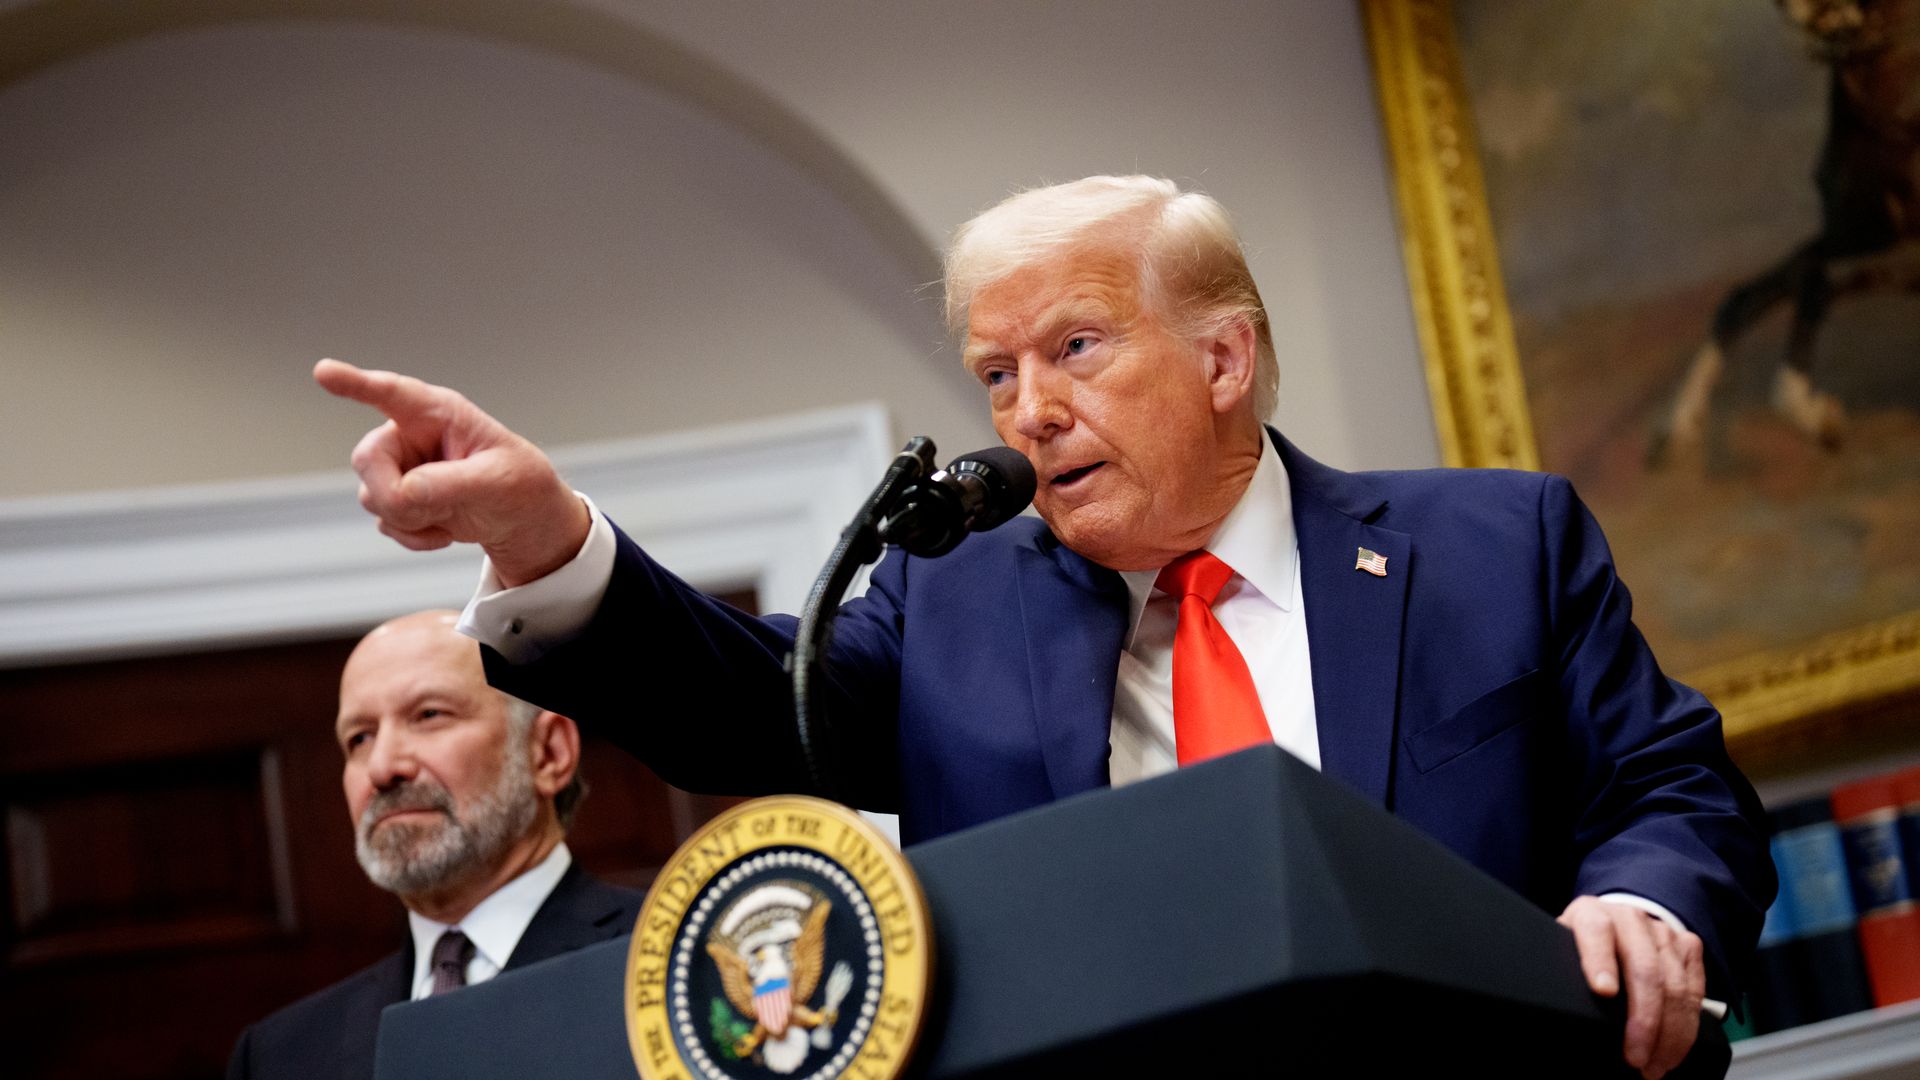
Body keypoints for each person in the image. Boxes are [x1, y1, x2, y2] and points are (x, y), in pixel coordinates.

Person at [315, 176, 1773, 1079]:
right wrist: (542, 536)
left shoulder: (1489, 545)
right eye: (996, 374)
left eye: (1074, 347)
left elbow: (1676, 787)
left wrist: (1642, 903)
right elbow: (754, 708)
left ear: (1222, 355)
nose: (1029, 413)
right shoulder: (951, 604)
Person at [227, 611, 642, 1080]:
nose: (382, 767)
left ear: (548, 752)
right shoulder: (279, 1056)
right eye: (359, 738)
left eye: (429, 715)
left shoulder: (674, 959)